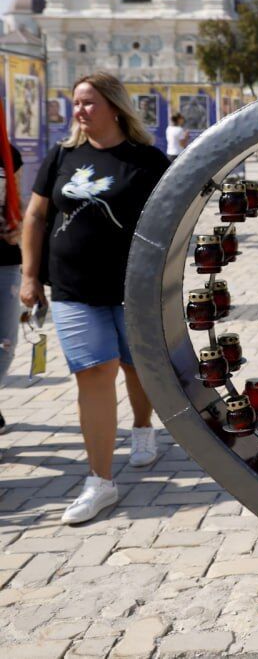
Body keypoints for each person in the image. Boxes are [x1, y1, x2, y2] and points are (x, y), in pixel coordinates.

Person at [20, 72, 170, 524]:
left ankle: (142, 429)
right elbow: (35, 214)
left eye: (88, 103)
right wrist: (30, 277)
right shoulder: (64, 155)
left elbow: (169, 220)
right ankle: (100, 481)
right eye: (76, 104)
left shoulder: (146, 160)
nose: (79, 112)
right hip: (71, 286)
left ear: (114, 107)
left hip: (131, 288)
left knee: (134, 365)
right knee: (95, 371)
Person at [0, 137, 24, 434]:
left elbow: (19, 203)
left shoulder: (8, 154)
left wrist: (17, 225)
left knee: (5, 343)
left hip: (4, 259)